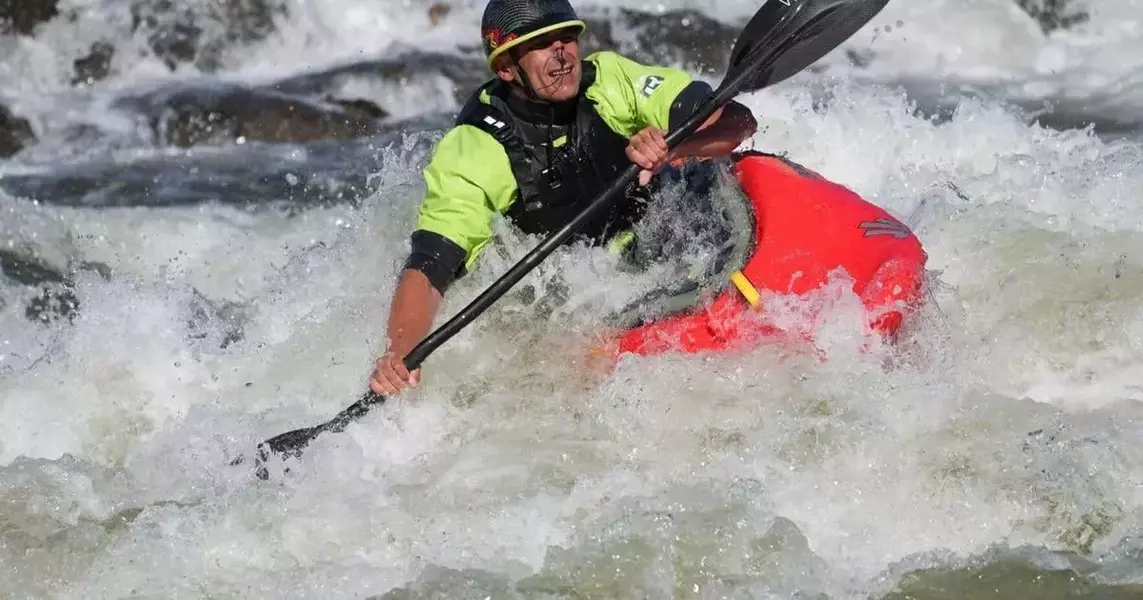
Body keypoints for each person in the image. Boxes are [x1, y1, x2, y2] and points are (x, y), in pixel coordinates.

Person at [369, 0, 758, 395]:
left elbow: (737, 121)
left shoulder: (610, 81)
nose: (562, 52)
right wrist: (400, 354)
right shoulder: (477, 149)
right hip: (587, 288)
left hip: (670, 229)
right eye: (542, 44)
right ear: (506, 68)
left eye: (567, 37)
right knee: (584, 365)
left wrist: (677, 148)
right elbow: (431, 268)